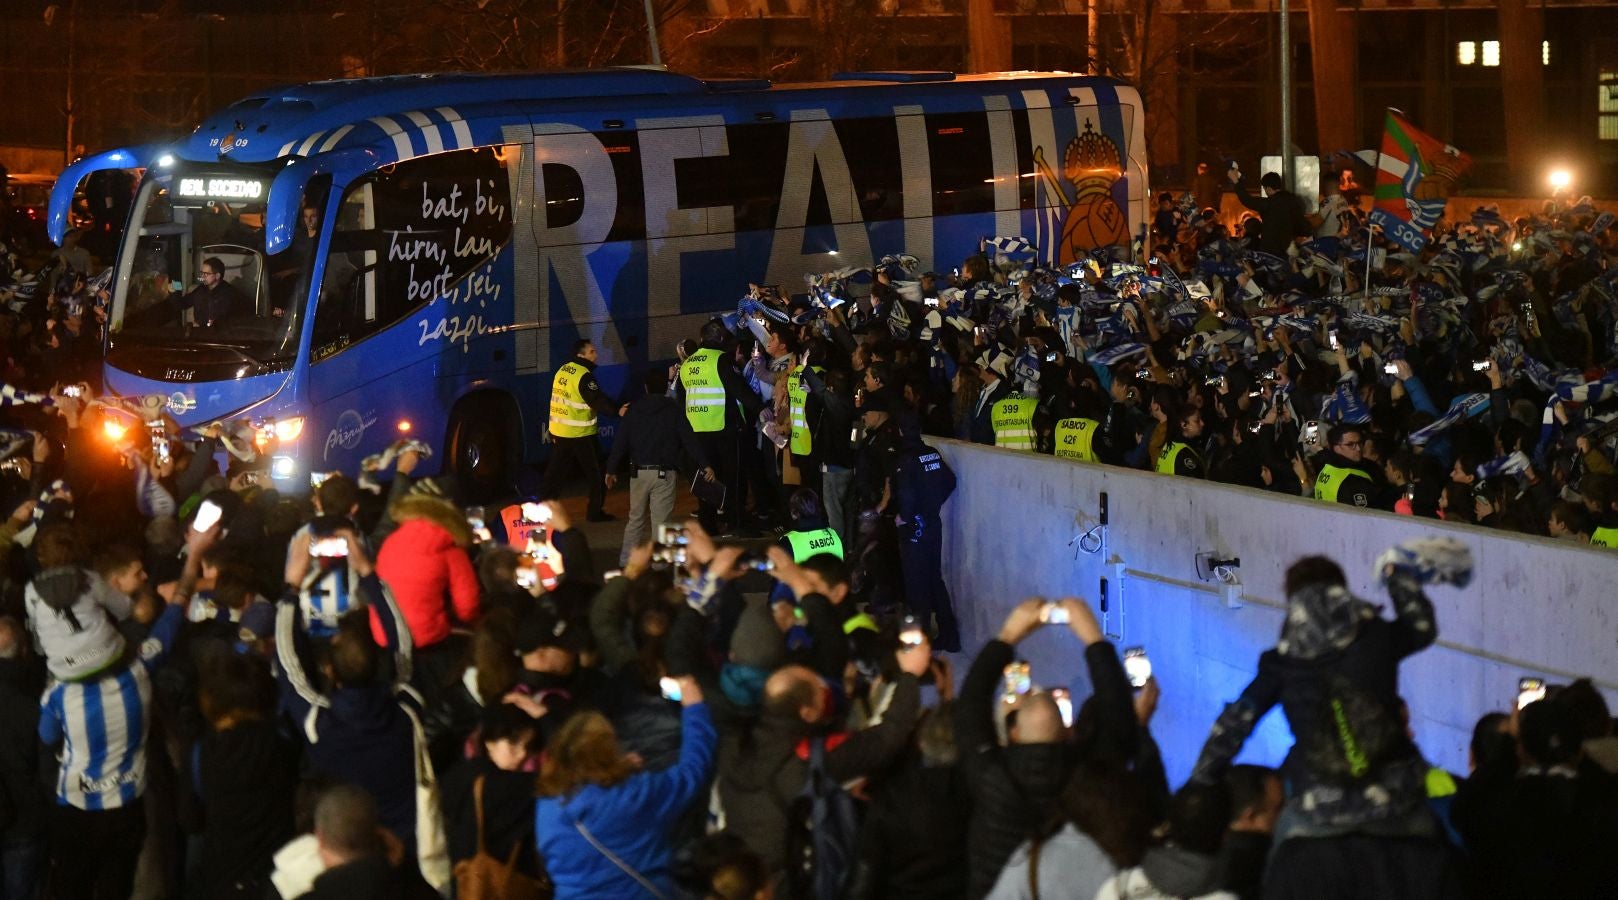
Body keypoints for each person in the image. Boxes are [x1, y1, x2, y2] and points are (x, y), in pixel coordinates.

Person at [1186, 546, 1469, 899]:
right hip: (1396, 807)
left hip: (1314, 817)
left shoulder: (1281, 661)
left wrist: (1198, 786)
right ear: (1341, 590)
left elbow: (1236, 723)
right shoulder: (1376, 637)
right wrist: (1399, 578)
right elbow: (1421, 627)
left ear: (1293, 602)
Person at [960, 597, 1139, 899]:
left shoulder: (991, 776)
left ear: (1013, 732)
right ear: (1069, 732)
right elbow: (1120, 721)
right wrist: (1092, 637)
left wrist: (1008, 636)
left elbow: (970, 708)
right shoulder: (1090, 776)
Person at [533, 679, 714, 898]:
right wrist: (695, 708)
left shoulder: (547, 804)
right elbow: (692, 773)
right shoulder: (632, 794)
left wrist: (620, 769)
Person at [606, 367, 714, 566]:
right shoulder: (673, 409)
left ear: (645, 387)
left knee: (635, 520)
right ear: (665, 386)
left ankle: (626, 563)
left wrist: (611, 469)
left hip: (638, 473)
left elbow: (621, 441)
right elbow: (689, 440)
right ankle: (660, 566)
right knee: (662, 524)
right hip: (665, 473)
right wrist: (705, 464)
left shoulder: (634, 409)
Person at [679, 319, 765, 535]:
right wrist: (760, 407)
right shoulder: (721, 359)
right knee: (733, 478)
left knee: (706, 480)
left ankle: (708, 525)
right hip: (723, 429)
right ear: (720, 339)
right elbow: (738, 389)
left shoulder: (687, 364)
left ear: (701, 339)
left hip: (697, 432)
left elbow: (682, 399)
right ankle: (736, 522)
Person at [538, 339, 621, 522]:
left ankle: (542, 511)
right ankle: (594, 513)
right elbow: (597, 400)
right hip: (581, 434)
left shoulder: (563, 370)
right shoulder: (584, 375)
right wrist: (618, 411)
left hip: (560, 432)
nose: (596, 355)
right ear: (581, 355)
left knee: (554, 476)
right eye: (592, 352)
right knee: (596, 474)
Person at [1228, 170, 1308, 258]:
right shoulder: (1293, 202)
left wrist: (1236, 181)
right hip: (1289, 250)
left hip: (1271, 252)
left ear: (1268, 188)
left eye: (1264, 188)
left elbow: (1247, 200)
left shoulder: (1269, 203)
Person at [1313, 424, 1378, 508]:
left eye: (1359, 443)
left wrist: (1317, 447)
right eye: (1350, 445)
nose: (1358, 448)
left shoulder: (1326, 464)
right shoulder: (1354, 480)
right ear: (1336, 447)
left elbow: (1323, 454)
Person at [179, 257, 253, 328]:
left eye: (206, 274)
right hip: (200, 333)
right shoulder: (201, 289)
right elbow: (183, 304)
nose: (202, 276)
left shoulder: (230, 293)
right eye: (202, 273)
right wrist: (174, 292)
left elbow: (248, 311)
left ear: (217, 276)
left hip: (220, 336)